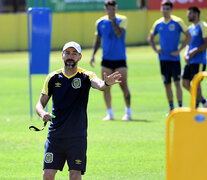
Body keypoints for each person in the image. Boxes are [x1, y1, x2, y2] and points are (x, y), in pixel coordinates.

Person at [35, 41, 121, 180]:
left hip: (77, 136)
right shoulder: (52, 77)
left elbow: (99, 84)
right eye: (68, 53)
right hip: (56, 135)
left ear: (80, 57)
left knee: (75, 175)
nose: (71, 56)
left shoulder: (86, 75)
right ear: (62, 55)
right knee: (48, 174)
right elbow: (40, 103)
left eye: (74, 53)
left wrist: (105, 83)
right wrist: (43, 113)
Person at [90, 0, 132, 121]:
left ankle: (128, 112)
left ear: (116, 8)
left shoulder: (122, 20)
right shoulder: (100, 22)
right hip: (106, 59)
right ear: (105, 8)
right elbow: (97, 39)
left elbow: (119, 34)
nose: (111, 10)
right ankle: (110, 113)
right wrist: (93, 54)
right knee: (106, 86)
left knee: (124, 86)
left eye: (113, 8)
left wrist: (113, 21)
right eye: (108, 8)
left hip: (120, 59)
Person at [148, 0, 191, 112]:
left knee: (177, 83)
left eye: (167, 9)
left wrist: (179, 50)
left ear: (171, 10)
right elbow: (150, 38)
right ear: (161, 9)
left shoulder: (177, 22)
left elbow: (188, 37)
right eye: (163, 8)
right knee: (167, 84)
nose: (165, 11)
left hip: (174, 59)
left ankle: (180, 107)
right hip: (163, 59)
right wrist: (155, 49)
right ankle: (171, 108)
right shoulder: (158, 23)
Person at [182, 6, 207, 108]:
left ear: (196, 14)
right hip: (190, 60)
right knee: (185, 83)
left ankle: (196, 106)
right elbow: (188, 43)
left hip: (199, 60)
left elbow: (206, 43)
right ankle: (203, 101)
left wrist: (195, 50)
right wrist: (186, 53)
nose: (188, 15)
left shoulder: (203, 26)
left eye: (190, 14)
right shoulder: (190, 28)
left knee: (196, 82)